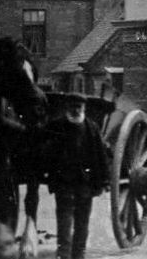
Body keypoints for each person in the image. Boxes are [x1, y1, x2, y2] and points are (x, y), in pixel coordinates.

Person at [43, 93, 110, 259]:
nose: (75, 110)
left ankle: (79, 254)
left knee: (82, 223)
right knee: (64, 221)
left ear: (84, 109)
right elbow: (45, 151)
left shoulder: (91, 128)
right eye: (72, 107)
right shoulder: (56, 126)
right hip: (64, 182)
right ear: (67, 108)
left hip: (84, 184)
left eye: (78, 107)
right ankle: (64, 254)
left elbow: (100, 156)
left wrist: (104, 180)